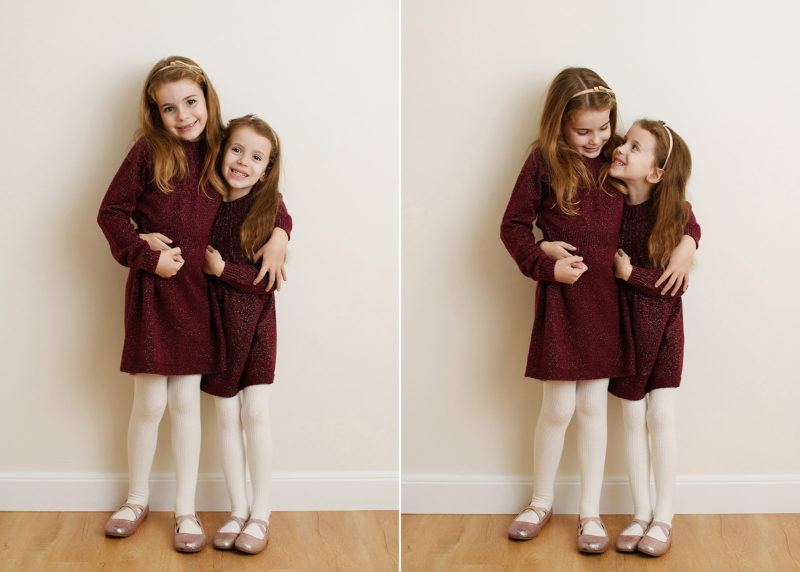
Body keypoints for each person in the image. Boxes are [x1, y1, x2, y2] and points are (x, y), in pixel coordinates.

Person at [500, 68, 697, 553]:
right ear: (559, 124)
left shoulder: (616, 164)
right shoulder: (543, 162)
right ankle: (540, 500)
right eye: (583, 131)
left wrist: (691, 240)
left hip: (609, 309)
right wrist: (544, 261)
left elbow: (668, 202)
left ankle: (590, 513)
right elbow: (513, 227)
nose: (597, 141)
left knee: (591, 408)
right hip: (563, 302)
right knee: (558, 406)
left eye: (604, 128)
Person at [200, 115, 292, 555]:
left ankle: (261, 514)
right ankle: (237, 509)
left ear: (267, 167)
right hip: (213, 327)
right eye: (237, 150)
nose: (243, 162)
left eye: (256, 157)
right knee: (223, 416)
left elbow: (266, 282)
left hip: (255, 327)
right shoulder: (204, 200)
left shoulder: (269, 207)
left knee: (255, 413)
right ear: (220, 149)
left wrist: (224, 269)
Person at [608, 120, 698, 557]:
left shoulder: (674, 214)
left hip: (663, 333)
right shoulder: (610, 202)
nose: (621, 148)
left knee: (660, 417)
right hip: (623, 332)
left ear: (656, 172)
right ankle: (640, 512)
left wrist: (631, 274)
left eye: (634, 146)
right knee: (630, 419)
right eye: (624, 141)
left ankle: (664, 516)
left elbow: (673, 285)